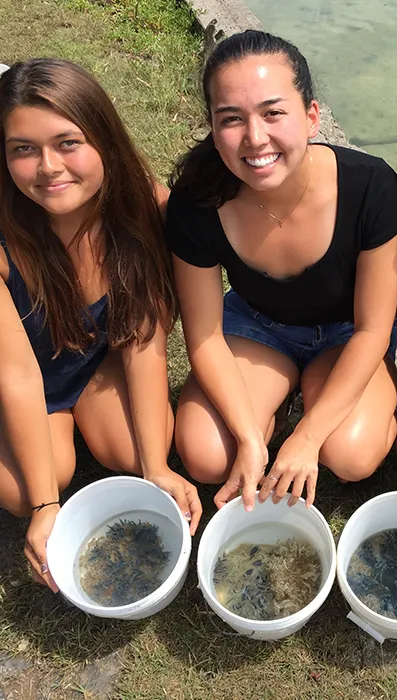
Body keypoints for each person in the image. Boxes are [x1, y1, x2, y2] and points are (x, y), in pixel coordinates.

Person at [167, 30, 397, 512]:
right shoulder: (198, 201)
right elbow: (205, 337)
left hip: (347, 333)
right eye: (231, 119)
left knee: (351, 455)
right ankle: (268, 413)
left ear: (311, 115)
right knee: (207, 455)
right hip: (257, 326)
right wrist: (248, 438)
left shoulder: (369, 186)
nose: (255, 138)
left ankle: (308, 406)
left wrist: (308, 436)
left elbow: (374, 328)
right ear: (214, 129)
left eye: (273, 112)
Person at [0, 58, 202, 591]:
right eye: (24, 148)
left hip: (88, 365)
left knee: (133, 453)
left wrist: (157, 468)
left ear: (104, 139)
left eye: (68, 142)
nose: (48, 166)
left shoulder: (145, 208)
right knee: (27, 490)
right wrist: (46, 506)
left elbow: (144, 337)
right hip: (19, 381)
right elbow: (16, 374)